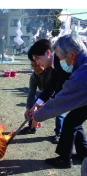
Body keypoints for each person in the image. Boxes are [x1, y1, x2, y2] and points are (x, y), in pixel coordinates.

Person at [30, 33, 87, 168]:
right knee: (73, 121)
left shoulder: (82, 74)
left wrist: (37, 116)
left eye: (61, 57)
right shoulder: (79, 63)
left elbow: (62, 98)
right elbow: (55, 89)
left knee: (70, 122)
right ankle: (83, 153)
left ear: (71, 55)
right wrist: (41, 105)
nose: (60, 60)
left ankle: (65, 159)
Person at [26, 39, 71, 143]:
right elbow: (48, 89)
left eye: (37, 59)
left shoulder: (57, 65)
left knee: (66, 117)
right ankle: (32, 126)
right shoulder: (51, 66)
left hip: (68, 96)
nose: (36, 64)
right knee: (73, 123)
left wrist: (41, 112)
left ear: (48, 53)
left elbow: (59, 93)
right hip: (53, 95)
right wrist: (33, 107)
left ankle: (59, 134)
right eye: (33, 63)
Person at [22, 47, 57, 135]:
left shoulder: (52, 71)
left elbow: (53, 90)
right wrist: (28, 108)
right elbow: (31, 93)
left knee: (59, 111)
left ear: (41, 63)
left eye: (36, 65)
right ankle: (32, 127)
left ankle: (58, 133)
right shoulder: (33, 77)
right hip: (44, 94)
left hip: (56, 93)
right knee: (34, 104)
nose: (34, 68)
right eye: (32, 66)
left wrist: (44, 105)